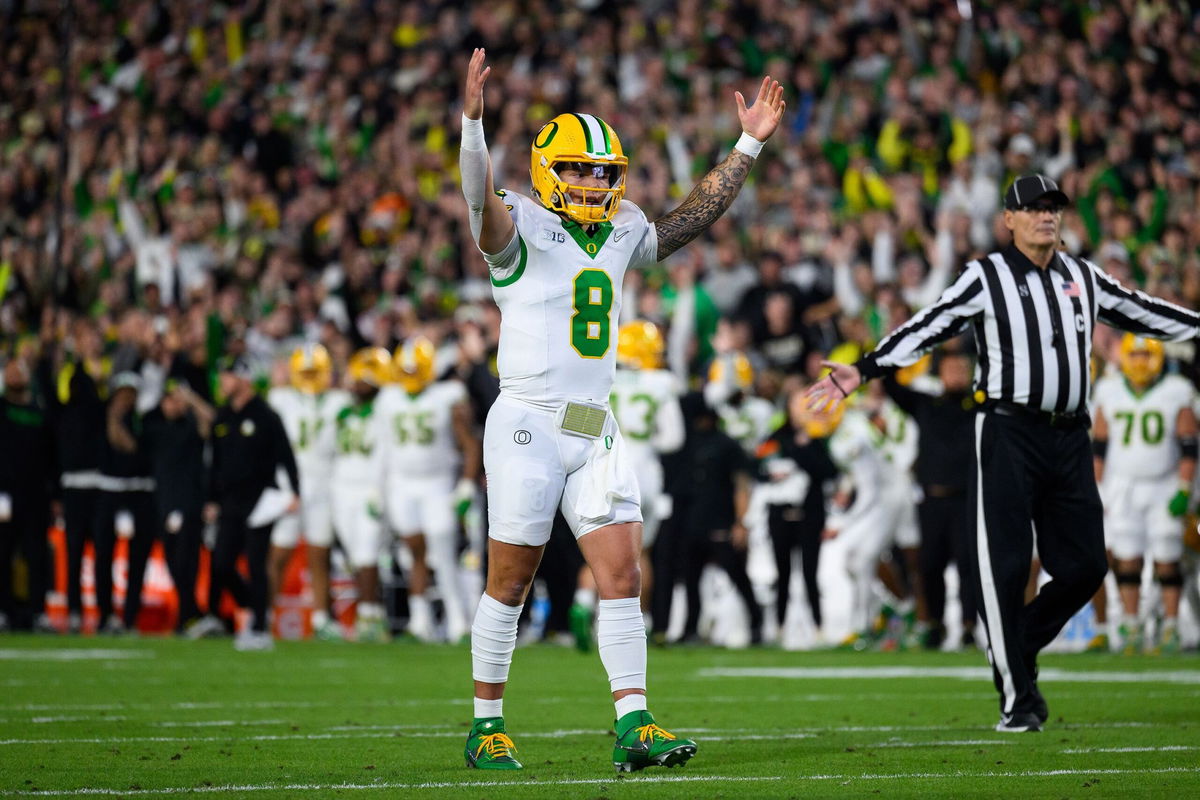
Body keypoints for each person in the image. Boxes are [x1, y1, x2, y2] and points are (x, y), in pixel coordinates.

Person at [458, 47, 784, 771]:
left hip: (593, 423)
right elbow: (477, 198)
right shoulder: (517, 223)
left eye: (603, 171)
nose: (592, 180)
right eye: (577, 168)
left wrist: (749, 144)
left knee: (623, 577)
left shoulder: (625, 224)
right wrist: (472, 126)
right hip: (527, 421)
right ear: (547, 172)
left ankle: (634, 723)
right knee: (510, 581)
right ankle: (486, 725)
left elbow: (687, 220)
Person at [807, 174, 1200, 732]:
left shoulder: (1081, 275)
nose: (1047, 217)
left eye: (1054, 208)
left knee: (1087, 565)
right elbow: (931, 323)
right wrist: (866, 369)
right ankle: (1019, 700)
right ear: (1008, 220)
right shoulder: (987, 275)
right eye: (1034, 208)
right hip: (1007, 430)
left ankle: (1013, 645)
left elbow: (1142, 311)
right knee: (1007, 563)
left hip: (1069, 435)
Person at [566, 321, 683, 647]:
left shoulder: (602, 378)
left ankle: (585, 601)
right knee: (639, 551)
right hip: (644, 472)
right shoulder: (660, 383)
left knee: (598, 546)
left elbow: (574, 422)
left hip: (605, 467)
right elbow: (673, 439)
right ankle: (638, 622)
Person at [1091, 334, 1196, 655]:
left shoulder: (1177, 391)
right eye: (1132, 355)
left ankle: (1171, 627)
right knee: (1126, 557)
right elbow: (1099, 446)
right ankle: (1132, 624)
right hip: (1122, 484)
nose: (1138, 362)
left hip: (1163, 483)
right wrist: (1097, 488)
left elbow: (1189, 445)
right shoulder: (1108, 390)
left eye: (1144, 355)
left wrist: (1184, 488)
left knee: (1167, 556)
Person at [377, 337, 481, 643]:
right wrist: (377, 488)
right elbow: (383, 448)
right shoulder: (388, 398)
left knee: (443, 552)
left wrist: (464, 484)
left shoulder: (447, 396)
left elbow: (469, 443)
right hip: (401, 483)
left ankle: (458, 621)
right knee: (414, 552)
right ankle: (419, 621)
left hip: (437, 483)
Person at [883, 350, 981, 650]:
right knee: (930, 565)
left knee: (968, 565)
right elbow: (891, 386)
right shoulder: (926, 404)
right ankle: (935, 624)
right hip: (932, 499)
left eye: (962, 368)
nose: (957, 374)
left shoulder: (979, 406)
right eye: (952, 368)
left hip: (966, 498)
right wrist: (897, 349)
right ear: (940, 373)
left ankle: (968, 626)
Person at [207, 355, 300, 651]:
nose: (223, 382)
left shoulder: (266, 416)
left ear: (245, 379)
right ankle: (252, 605)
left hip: (260, 501)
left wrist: (295, 492)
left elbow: (287, 456)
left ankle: (259, 627)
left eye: (229, 375)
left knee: (257, 564)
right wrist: (211, 499)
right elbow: (213, 463)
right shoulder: (222, 417)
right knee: (221, 564)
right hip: (230, 501)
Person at [267, 344, 348, 641]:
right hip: (289, 483)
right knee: (279, 552)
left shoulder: (338, 401)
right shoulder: (281, 399)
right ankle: (265, 614)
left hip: (323, 483)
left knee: (319, 553)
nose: (311, 377)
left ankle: (321, 617)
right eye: (307, 372)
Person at [754, 384, 839, 645]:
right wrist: (773, 473)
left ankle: (818, 628)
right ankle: (779, 629)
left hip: (809, 513)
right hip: (780, 514)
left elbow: (829, 472)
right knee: (782, 573)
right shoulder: (776, 436)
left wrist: (805, 447)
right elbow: (757, 467)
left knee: (810, 573)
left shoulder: (816, 439)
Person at [142, 379, 214, 634]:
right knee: (174, 562)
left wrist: (191, 398)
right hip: (165, 504)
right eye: (171, 399)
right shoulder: (154, 427)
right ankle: (191, 613)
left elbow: (211, 422)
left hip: (190, 504)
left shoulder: (191, 427)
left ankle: (189, 616)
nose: (176, 404)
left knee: (187, 562)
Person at [331, 347, 391, 643]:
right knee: (356, 555)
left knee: (368, 552)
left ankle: (367, 615)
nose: (357, 383)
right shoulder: (342, 409)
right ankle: (374, 614)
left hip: (369, 487)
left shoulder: (384, 411)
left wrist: (379, 490)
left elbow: (386, 455)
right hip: (342, 488)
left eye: (364, 379)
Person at [0, 357, 57, 632]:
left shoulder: (40, 412)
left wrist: (54, 493)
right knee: (3, 553)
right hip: (5, 493)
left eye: (20, 370)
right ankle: (5, 611)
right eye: (10, 371)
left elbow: (52, 454)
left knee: (37, 555)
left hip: (36, 494)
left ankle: (37, 612)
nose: (15, 376)